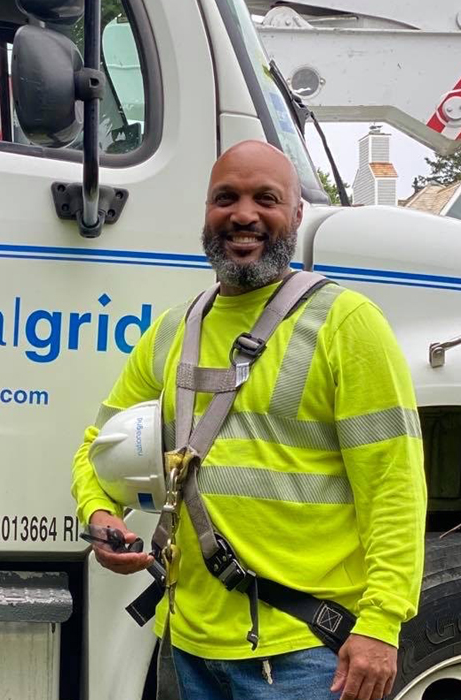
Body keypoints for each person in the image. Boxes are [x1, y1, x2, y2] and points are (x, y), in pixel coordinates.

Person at [71, 140, 427, 700]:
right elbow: (100, 446)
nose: (243, 214)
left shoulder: (347, 325)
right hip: (188, 647)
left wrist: (381, 624)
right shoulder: (172, 331)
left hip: (303, 652)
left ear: (297, 214)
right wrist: (100, 514)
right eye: (226, 198)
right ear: (207, 211)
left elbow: (395, 489)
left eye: (266, 198)